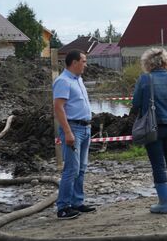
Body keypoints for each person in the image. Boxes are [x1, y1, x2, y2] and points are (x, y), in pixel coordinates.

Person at [132, 48, 167, 214]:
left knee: (158, 165)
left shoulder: (144, 80)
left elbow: (135, 104)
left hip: (152, 128)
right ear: (165, 62)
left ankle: (164, 204)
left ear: (148, 64)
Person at [53, 49, 96, 220]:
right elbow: (58, 107)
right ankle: (63, 207)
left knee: (81, 168)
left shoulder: (78, 80)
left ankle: (77, 202)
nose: (86, 64)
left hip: (85, 128)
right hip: (74, 129)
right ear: (74, 62)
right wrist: (68, 131)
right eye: (83, 61)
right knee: (71, 169)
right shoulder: (63, 81)